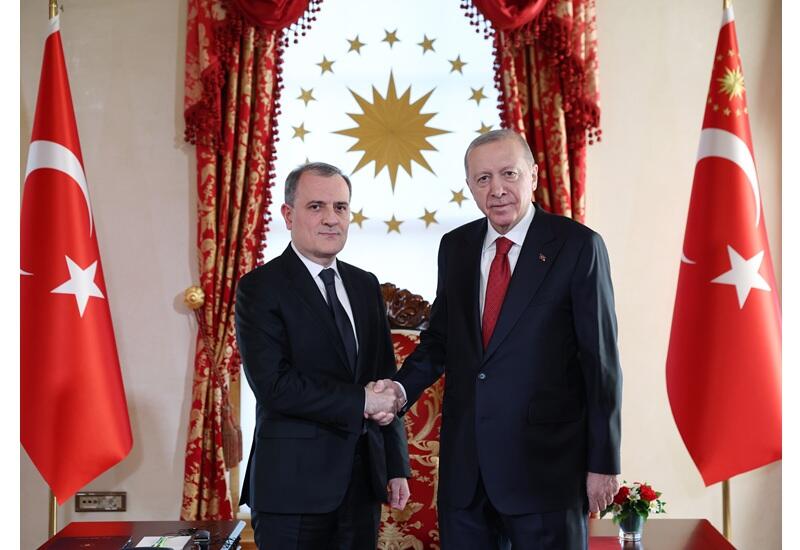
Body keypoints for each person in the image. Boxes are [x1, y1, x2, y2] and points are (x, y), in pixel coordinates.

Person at [369, 130, 622, 549]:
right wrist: (398, 390)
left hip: (546, 471)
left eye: (509, 173)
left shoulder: (578, 246)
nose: (497, 189)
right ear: (469, 186)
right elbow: (440, 340)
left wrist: (603, 463)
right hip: (467, 474)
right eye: (483, 178)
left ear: (533, 175)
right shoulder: (457, 247)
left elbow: (601, 363)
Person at [235, 162, 410, 550]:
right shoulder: (260, 288)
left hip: (362, 488)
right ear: (288, 215)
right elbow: (274, 386)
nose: (332, 218)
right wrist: (363, 400)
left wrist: (396, 465)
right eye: (316, 206)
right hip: (292, 490)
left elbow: (385, 377)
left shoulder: (365, 285)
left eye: (340, 207)